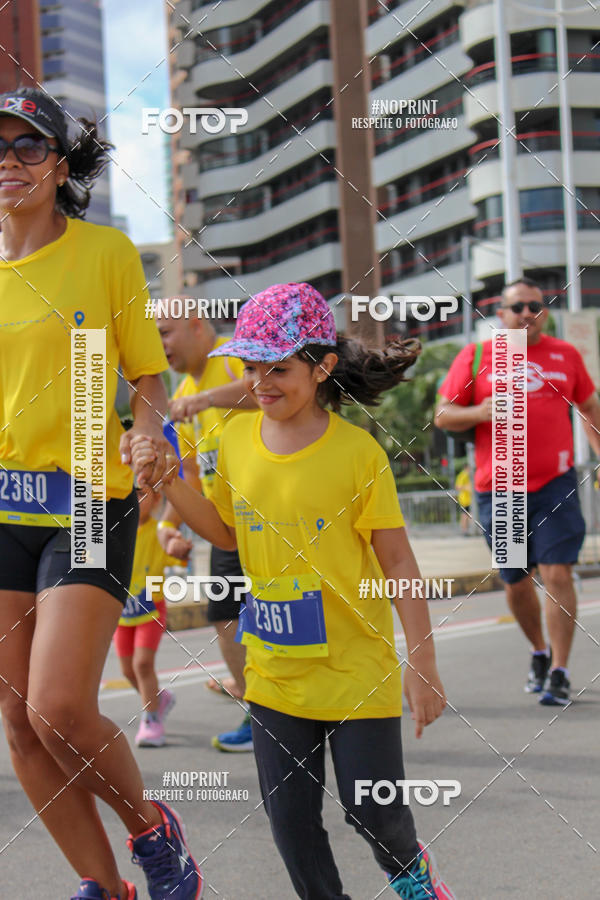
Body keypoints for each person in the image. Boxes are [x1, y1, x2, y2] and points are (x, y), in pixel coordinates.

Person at [132, 283, 454, 899]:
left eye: (278, 367)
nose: (260, 382)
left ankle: (412, 875)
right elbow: (224, 529)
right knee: (291, 825)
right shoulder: (233, 442)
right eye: (251, 366)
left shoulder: (357, 454)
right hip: (275, 673)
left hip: (357, 670)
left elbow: (398, 561)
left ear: (323, 366)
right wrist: (172, 485)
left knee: (372, 811)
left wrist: (425, 662)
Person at [0, 87, 201, 900]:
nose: (9, 163)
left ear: (57, 163)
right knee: (17, 722)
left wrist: (149, 433)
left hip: (87, 497)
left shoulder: (105, 254)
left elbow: (145, 377)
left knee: (57, 708)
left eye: (26, 147)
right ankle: (104, 885)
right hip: (3, 506)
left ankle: (154, 832)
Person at [435, 277, 600, 706]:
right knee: (516, 580)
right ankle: (539, 652)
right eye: (518, 307)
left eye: (535, 306)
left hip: (556, 485)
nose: (528, 313)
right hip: (501, 490)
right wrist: (480, 410)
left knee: (558, 572)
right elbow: (443, 415)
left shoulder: (565, 355)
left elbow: (589, 406)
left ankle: (561, 671)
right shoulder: (476, 356)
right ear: (501, 314)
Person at [155, 299, 257, 752]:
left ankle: (307, 710)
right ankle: (262, 714)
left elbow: (264, 391)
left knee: (295, 613)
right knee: (224, 615)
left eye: (165, 332)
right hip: (225, 524)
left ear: (197, 326)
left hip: (271, 515)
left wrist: (204, 398)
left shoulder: (234, 357)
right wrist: (169, 524)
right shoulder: (183, 394)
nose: (160, 345)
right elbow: (192, 471)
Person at [113, 483, 186, 748]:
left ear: (156, 500)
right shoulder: (114, 529)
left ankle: (152, 719)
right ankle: (159, 698)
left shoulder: (158, 533)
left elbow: (177, 555)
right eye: (130, 493)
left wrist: (180, 547)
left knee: (142, 664)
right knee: (127, 670)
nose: (134, 498)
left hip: (150, 610)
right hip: (122, 615)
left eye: (141, 493)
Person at [454, 464, 472, 535]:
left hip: (469, 499)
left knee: (468, 515)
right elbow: (458, 486)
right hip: (465, 499)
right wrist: (467, 487)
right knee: (465, 515)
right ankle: (465, 531)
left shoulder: (468, 475)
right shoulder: (463, 475)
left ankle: (468, 530)